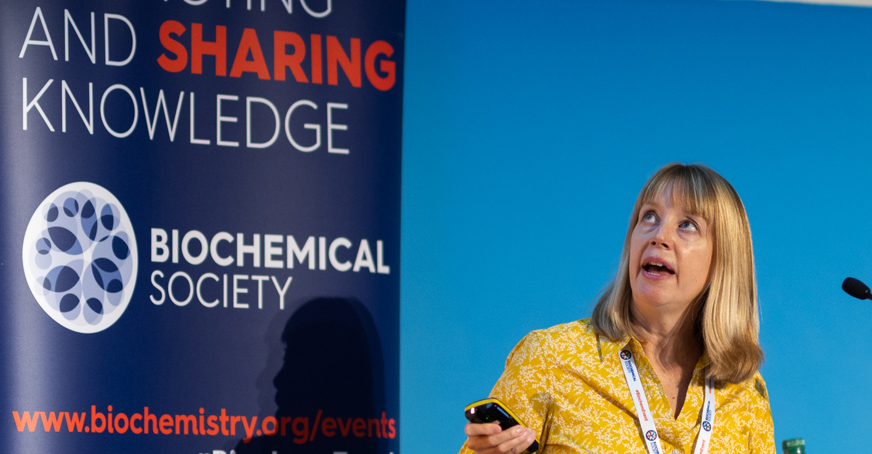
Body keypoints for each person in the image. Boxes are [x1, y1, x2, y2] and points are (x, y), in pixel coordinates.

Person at [461, 163, 775, 454]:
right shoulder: (548, 358)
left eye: (687, 225)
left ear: (724, 260)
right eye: (649, 217)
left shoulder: (747, 392)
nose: (659, 236)